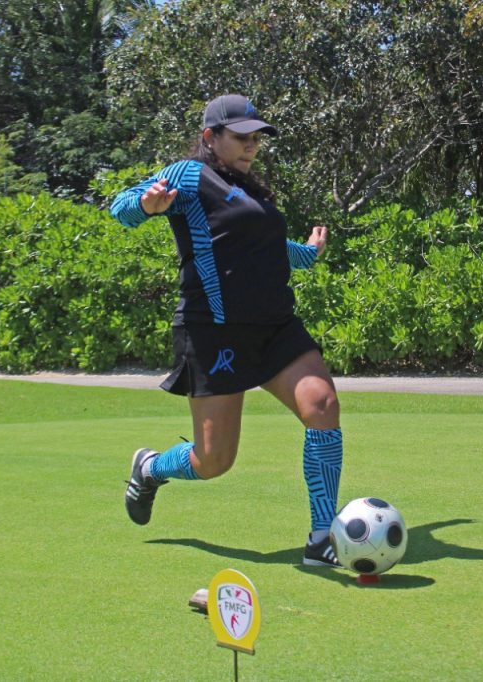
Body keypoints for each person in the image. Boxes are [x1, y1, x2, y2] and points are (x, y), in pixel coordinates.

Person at [109, 94, 342, 567]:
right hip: (215, 333)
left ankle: (323, 535)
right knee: (214, 460)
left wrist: (308, 253)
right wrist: (146, 207)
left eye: (256, 138)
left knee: (322, 405)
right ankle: (151, 467)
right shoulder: (189, 176)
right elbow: (120, 206)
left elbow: (268, 247)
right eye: (241, 137)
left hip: (276, 328)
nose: (251, 146)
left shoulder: (252, 191)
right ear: (210, 137)